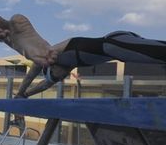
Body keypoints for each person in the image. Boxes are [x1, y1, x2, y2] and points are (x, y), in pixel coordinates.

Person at [16, 31, 166, 98]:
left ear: (50, 67)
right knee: (156, 57)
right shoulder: (69, 65)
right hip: (117, 48)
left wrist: (19, 93)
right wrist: (27, 95)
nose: (60, 78)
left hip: (114, 44)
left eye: (56, 76)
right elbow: (45, 85)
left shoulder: (52, 53)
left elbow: (30, 76)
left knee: (158, 52)